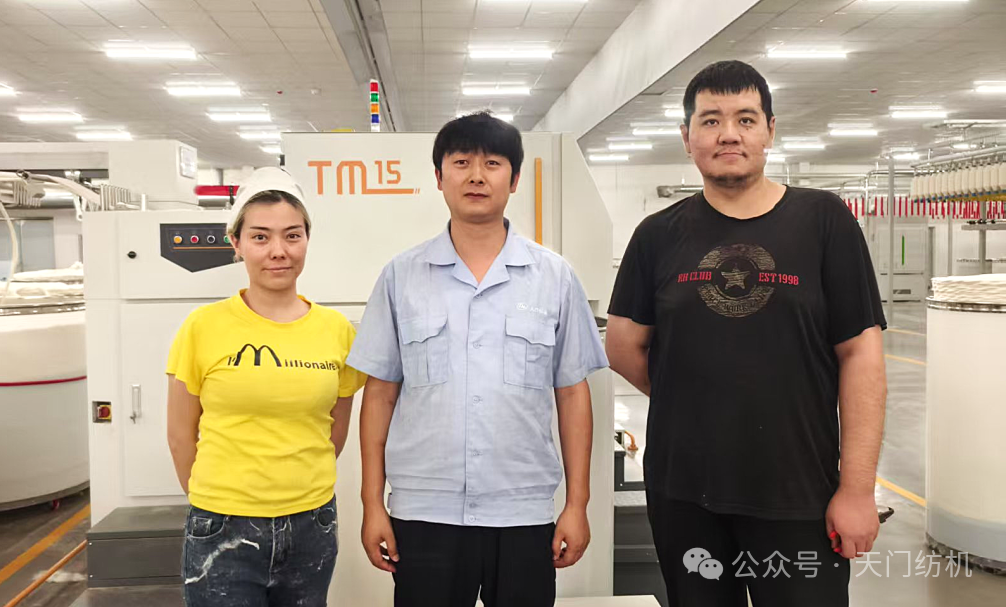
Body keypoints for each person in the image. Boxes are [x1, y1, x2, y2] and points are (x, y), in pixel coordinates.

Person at [605, 60, 887, 607]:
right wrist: (699, 396)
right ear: (687, 136)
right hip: (685, 495)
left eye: (746, 119)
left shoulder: (825, 221)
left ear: (770, 131)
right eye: (710, 120)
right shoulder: (657, 235)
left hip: (798, 491)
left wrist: (856, 489)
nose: (728, 134)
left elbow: (861, 355)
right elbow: (623, 347)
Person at [346, 112, 608, 607]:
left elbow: (573, 396)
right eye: (461, 162)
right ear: (439, 177)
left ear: (514, 179)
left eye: (492, 163)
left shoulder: (553, 278)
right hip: (425, 513)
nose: (476, 176)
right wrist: (371, 504)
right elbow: (379, 396)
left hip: (523, 511)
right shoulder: (402, 276)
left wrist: (577, 504)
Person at [166, 167, 366, 607]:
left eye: (292, 236)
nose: (278, 251)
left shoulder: (336, 330)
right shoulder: (203, 327)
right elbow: (181, 434)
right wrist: (217, 500)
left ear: (307, 240)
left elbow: (335, 431)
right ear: (236, 243)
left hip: (312, 523)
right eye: (260, 237)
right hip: (222, 524)